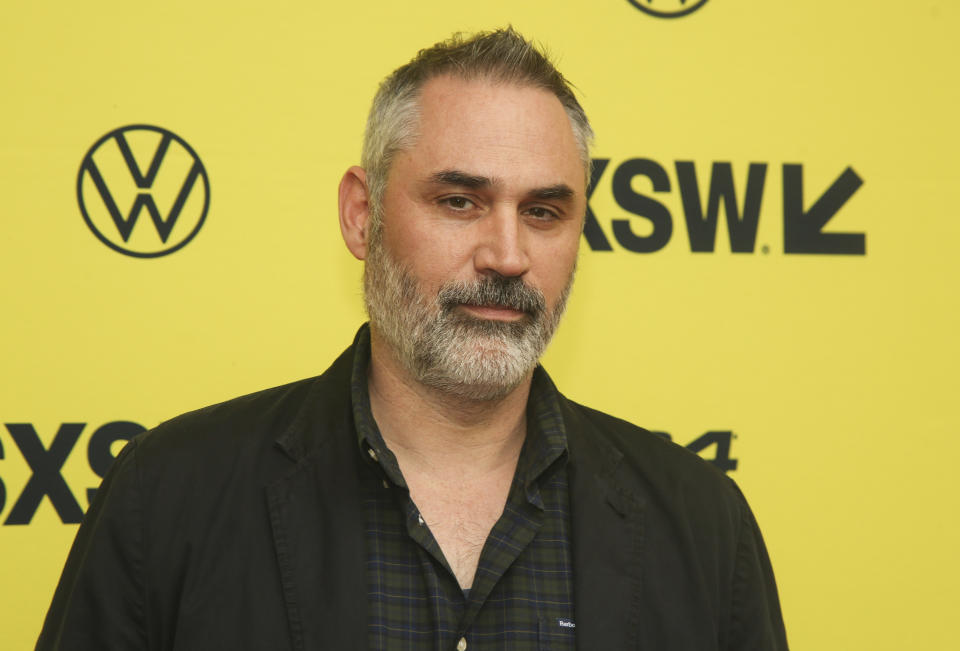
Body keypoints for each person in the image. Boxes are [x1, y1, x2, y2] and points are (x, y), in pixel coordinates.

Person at [37, 28, 787, 650]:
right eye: (459, 201)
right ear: (362, 215)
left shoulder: (702, 526)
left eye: (545, 212)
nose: (507, 254)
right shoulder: (169, 500)